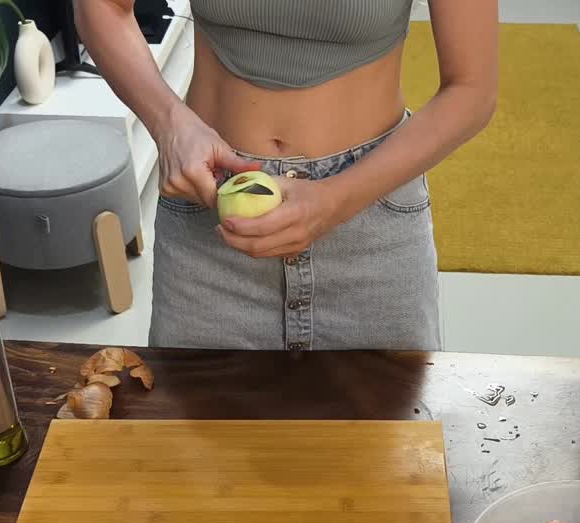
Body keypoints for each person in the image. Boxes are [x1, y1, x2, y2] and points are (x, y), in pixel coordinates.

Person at [77, 0, 498, 351]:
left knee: (388, 443)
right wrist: (170, 125)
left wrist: (337, 199)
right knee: (196, 443)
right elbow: (102, 7)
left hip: (371, 223)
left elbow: (471, 89)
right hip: (212, 221)